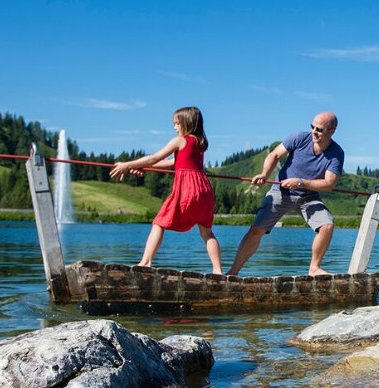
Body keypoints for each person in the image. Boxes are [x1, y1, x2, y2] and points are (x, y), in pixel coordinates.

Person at [228, 111, 344, 276]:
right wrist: (263, 175)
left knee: (327, 226)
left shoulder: (337, 153)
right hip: (281, 192)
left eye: (319, 129)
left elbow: (329, 184)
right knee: (256, 230)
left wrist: (300, 182)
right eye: (312, 127)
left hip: (309, 197)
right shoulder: (298, 138)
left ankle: (314, 268)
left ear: (331, 131)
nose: (314, 132)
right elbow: (274, 154)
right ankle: (232, 273)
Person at [109, 106, 222, 274]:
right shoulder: (199, 143)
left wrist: (128, 165)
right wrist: (144, 167)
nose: (175, 127)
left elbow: (155, 157)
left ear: (186, 122)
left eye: (177, 123)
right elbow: (171, 164)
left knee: (159, 223)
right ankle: (218, 270)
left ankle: (145, 263)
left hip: (187, 188)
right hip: (204, 189)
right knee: (206, 231)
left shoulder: (180, 140)